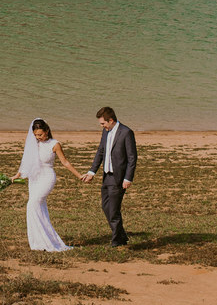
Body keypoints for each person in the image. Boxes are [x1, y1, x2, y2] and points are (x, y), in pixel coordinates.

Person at [10, 118, 84, 251]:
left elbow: (65, 162)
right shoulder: (34, 144)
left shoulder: (55, 144)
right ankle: (39, 241)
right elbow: (27, 162)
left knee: (32, 204)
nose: (38, 137)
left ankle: (48, 241)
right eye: (36, 135)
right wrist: (17, 175)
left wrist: (79, 175)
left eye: (40, 134)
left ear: (47, 131)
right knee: (37, 207)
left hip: (47, 177)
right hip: (34, 179)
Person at [81, 106, 136, 247]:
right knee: (106, 207)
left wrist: (128, 178)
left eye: (103, 123)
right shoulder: (105, 132)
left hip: (119, 178)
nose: (102, 126)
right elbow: (100, 152)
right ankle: (122, 236)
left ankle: (117, 241)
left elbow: (132, 157)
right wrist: (92, 172)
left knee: (113, 210)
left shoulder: (126, 132)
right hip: (106, 176)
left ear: (110, 120)